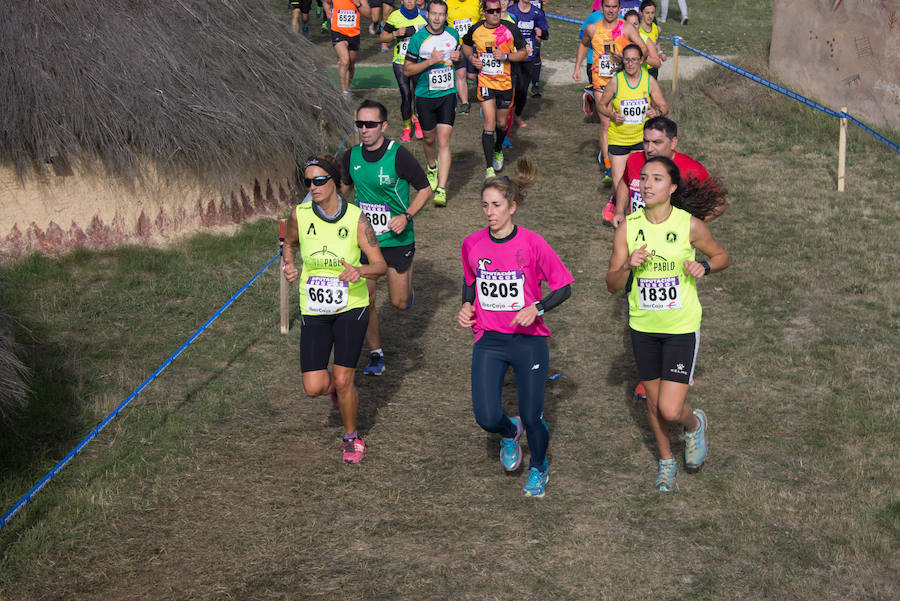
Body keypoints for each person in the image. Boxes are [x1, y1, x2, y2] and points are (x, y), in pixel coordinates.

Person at [605, 156, 729, 491]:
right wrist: (628, 266)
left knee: (671, 409)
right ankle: (666, 462)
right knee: (653, 403)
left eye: (656, 179)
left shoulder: (689, 225)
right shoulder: (628, 228)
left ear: (672, 188)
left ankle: (693, 425)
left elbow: (722, 257)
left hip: (680, 326)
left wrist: (704, 266)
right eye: (643, 178)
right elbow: (612, 284)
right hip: (644, 327)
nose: (646, 184)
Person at [458, 157, 573, 498]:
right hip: (489, 340)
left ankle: (539, 467)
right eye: (485, 206)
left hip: (528, 342)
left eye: (496, 205)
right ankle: (510, 432)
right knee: (486, 416)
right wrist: (466, 305)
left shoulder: (532, 244)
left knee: (533, 415)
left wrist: (535, 307)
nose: (489, 212)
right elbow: (470, 281)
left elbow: (564, 287)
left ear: (512, 207)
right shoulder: (472, 244)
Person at [282, 155, 387, 464]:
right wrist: (288, 264)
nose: (312, 187)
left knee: (344, 380)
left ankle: (352, 438)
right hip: (314, 308)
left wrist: (359, 270)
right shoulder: (299, 215)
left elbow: (380, 265)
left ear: (335, 183)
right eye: (308, 181)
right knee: (314, 387)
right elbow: (288, 243)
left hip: (351, 307)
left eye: (318, 180)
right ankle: (338, 393)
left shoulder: (357, 219)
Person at [341, 100, 432, 376]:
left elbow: (426, 189)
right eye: (360, 124)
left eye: (370, 124)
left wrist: (406, 216)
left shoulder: (398, 156)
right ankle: (376, 354)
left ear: (384, 126)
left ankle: (408, 292)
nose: (364, 130)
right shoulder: (351, 156)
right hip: (366, 241)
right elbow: (343, 191)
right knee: (365, 300)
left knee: (399, 303)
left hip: (396, 239)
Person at [573, 0, 647, 184]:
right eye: (608, 6)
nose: (611, 10)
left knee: (624, 120)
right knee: (606, 124)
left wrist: (634, 68)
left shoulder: (627, 28)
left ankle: (626, 155)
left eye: (615, 7)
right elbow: (583, 44)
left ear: (619, 9)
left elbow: (643, 49)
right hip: (601, 82)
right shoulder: (592, 28)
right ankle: (608, 167)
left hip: (622, 81)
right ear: (602, 7)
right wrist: (577, 67)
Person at [613, 116, 727, 229]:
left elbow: (720, 204)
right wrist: (619, 211)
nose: (649, 149)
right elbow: (625, 182)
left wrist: (688, 225)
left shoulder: (690, 169)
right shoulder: (634, 160)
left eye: (657, 142)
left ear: (673, 143)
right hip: (636, 237)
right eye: (646, 142)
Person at [404, 0, 462, 207]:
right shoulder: (418, 39)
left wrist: (457, 57)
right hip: (425, 96)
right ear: (427, 14)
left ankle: (442, 189)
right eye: (434, 13)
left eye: (441, 14)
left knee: (444, 140)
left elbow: (458, 56)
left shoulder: (453, 35)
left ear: (446, 16)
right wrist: (430, 61)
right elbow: (407, 70)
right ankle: (431, 167)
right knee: (429, 140)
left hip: (447, 94)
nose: (437, 18)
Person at [461, 0, 528, 178]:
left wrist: (506, 56)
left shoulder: (510, 29)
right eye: (491, 11)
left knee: (501, 124)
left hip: (506, 83)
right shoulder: (475, 29)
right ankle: (489, 168)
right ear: (484, 12)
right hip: (485, 82)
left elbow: (524, 53)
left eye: (498, 10)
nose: (496, 14)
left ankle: (498, 148)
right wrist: (471, 58)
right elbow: (466, 45)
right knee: (489, 123)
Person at [596, 43, 667, 197]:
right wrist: (612, 115)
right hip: (618, 139)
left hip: (641, 139)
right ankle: (618, 208)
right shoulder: (616, 81)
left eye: (634, 60)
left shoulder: (648, 80)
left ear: (641, 60)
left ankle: (634, 214)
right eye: (627, 60)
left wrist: (657, 112)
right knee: (619, 181)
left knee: (638, 181)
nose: (630, 64)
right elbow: (601, 105)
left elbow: (664, 107)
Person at [381, 0, 428, 141]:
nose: (409, 2)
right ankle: (407, 128)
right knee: (406, 95)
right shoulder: (394, 16)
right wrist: (395, 33)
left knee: (417, 94)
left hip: (417, 63)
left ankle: (417, 121)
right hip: (400, 63)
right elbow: (382, 37)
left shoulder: (424, 16)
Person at [508, 0, 549, 123]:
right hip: (513, 54)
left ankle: (517, 114)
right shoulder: (511, 11)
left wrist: (541, 33)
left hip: (528, 56)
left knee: (523, 88)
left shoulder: (537, 12)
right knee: (511, 86)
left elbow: (545, 34)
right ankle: (506, 114)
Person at [323, 0, 373, 96]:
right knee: (345, 61)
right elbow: (326, 2)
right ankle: (344, 93)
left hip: (354, 33)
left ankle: (347, 88)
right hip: (338, 31)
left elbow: (368, 14)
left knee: (351, 63)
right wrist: (327, 11)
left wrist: (357, 4)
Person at [447, 0, 483, 116]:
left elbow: (484, 19)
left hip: (475, 44)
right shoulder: (447, 3)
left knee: (475, 75)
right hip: (457, 45)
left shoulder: (477, 2)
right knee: (461, 74)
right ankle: (465, 103)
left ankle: (485, 98)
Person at [638, 0, 666, 79]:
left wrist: (661, 53)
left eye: (652, 13)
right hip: (641, 69)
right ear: (641, 13)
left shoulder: (657, 29)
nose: (650, 16)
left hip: (653, 69)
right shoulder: (637, 30)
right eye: (647, 13)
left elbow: (657, 44)